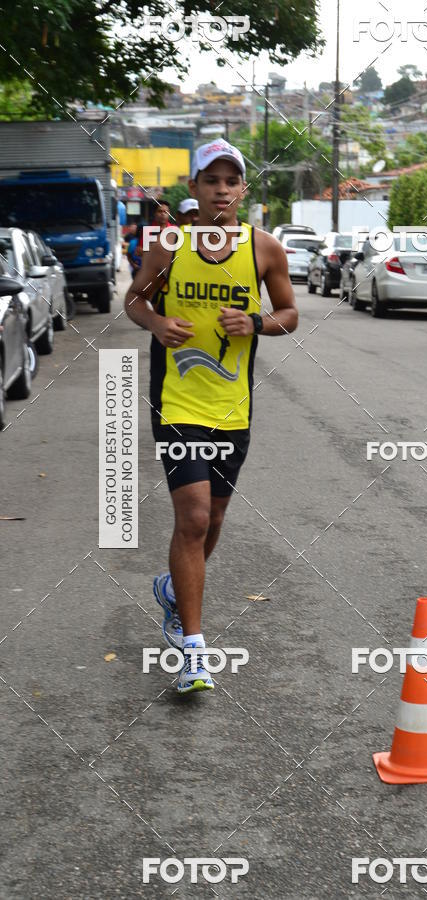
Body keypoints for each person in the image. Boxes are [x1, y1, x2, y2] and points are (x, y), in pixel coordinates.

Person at [124, 139, 298, 693]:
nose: (221, 190)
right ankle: (193, 650)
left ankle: (174, 588)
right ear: (193, 189)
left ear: (243, 190)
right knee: (194, 518)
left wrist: (258, 323)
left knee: (215, 519)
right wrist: (156, 325)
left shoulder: (264, 248)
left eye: (231, 181)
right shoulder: (170, 244)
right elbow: (135, 299)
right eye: (210, 180)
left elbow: (291, 314)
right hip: (177, 401)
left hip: (233, 404)